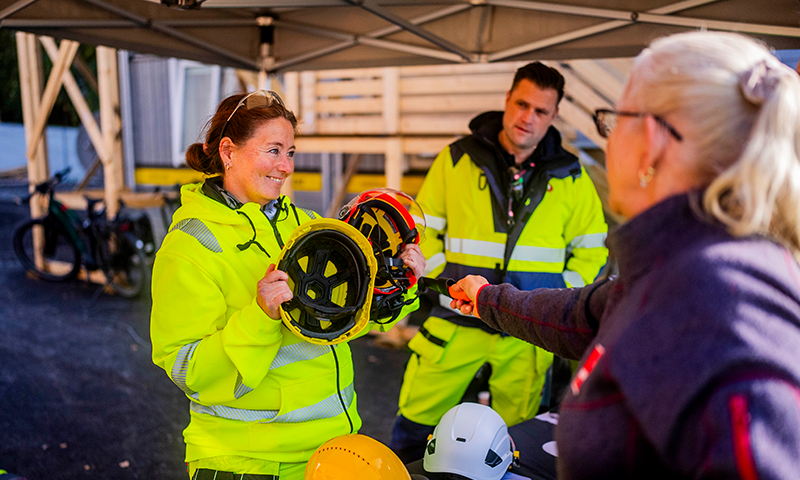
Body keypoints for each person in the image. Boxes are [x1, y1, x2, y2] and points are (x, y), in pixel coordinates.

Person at [450, 31, 800, 479]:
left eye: (615, 119)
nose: (609, 139)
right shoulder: (675, 269)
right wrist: (486, 299)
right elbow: (585, 314)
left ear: (651, 141)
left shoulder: (717, 306)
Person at [150, 90, 424, 480]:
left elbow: (354, 318)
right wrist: (261, 317)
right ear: (228, 152)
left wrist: (400, 281)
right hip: (247, 464)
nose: (286, 167)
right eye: (274, 151)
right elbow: (186, 369)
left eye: (291, 152)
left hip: (332, 455)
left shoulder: (306, 225)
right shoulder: (190, 246)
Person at [390, 62, 609, 462]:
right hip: (454, 322)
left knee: (512, 450)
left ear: (554, 115)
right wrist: (445, 285)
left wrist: (547, 303)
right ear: (507, 100)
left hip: (524, 336)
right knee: (413, 436)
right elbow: (420, 233)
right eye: (522, 104)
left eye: (541, 111)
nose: (528, 117)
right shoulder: (456, 159)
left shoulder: (572, 177)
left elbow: (593, 251)